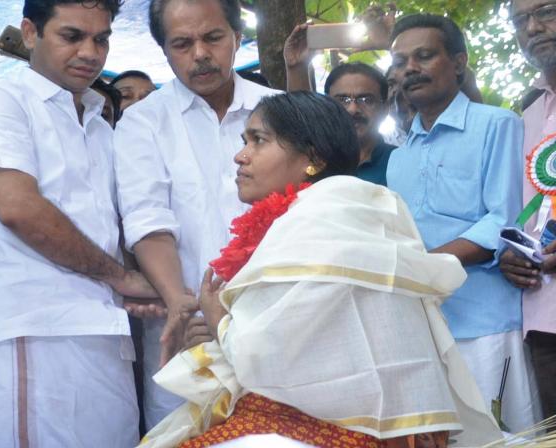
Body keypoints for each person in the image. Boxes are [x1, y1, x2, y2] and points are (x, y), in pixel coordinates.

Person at [140, 92, 502, 448]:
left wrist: (220, 320)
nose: (240, 155)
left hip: (343, 425)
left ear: (311, 158)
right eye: (244, 141)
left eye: (258, 141)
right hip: (302, 411)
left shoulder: (324, 217)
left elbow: (265, 355)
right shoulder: (315, 213)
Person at [0, 1, 156, 446]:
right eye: (71, 36)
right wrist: (123, 278)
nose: (90, 52)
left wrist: (133, 288)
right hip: (32, 330)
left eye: (101, 39)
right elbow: (19, 209)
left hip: (104, 330)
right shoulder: (1, 103)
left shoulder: (100, 124)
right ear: (30, 33)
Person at [114, 0, 280, 429]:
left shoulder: (282, 111)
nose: (200, 54)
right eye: (182, 44)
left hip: (279, 327)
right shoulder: (143, 122)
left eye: (213, 38)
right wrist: (180, 306)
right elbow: (146, 219)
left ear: (237, 37)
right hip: (186, 336)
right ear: (164, 51)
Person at [387, 14, 538, 432]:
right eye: (400, 61)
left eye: (424, 56)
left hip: (484, 324)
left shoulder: (498, 125)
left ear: (458, 62)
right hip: (421, 327)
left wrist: (425, 265)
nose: (410, 69)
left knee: (501, 437)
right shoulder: (399, 157)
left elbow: (505, 220)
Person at [500, 0, 556, 425]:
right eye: (521, 20)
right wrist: (512, 252)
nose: (533, 26)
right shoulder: (530, 109)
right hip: (543, 318)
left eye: (548, 11)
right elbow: (526, 208)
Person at [283, 31, 396, 186]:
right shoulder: (315, 164)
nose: (352, 109)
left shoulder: (401, 162)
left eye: (366, 99)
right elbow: (302, 114)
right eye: (343, 100)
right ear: (326, 107)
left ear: (385, 109)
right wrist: (297, 67)